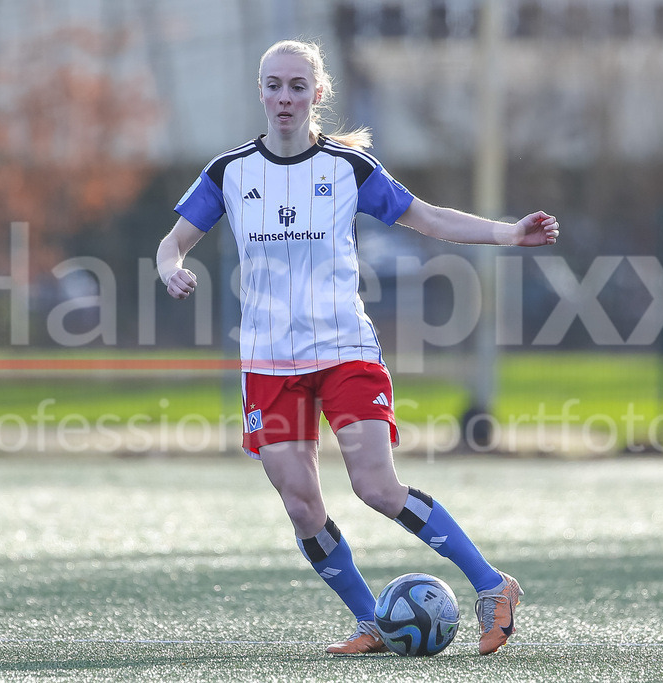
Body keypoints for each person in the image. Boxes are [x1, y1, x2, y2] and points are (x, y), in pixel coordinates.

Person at [157, 39, 559, 655]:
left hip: (345, 351)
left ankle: (492, 586)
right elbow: (172, 241)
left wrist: (507, 234)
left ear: (317, 94)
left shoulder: (347, 169)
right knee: (302, 506)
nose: (284, 98)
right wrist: (170, 267)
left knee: (375, 486)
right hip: (268, 365)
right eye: (274, 85)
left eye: (297, 86)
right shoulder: (228, 172)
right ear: (259, 91)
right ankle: (374, 620)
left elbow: (428, 218)